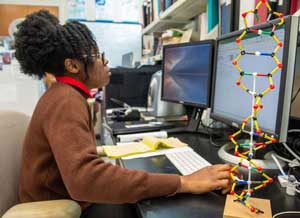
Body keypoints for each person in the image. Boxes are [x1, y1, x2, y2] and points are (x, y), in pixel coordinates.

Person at [15, 10, 235, 217]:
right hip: (59, 209)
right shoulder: (65, 101)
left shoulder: (63, 94)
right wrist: (184, 182)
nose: (105, 61)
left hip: (65, 200)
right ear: (73, 66)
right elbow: (86, 179)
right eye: (97, 54)